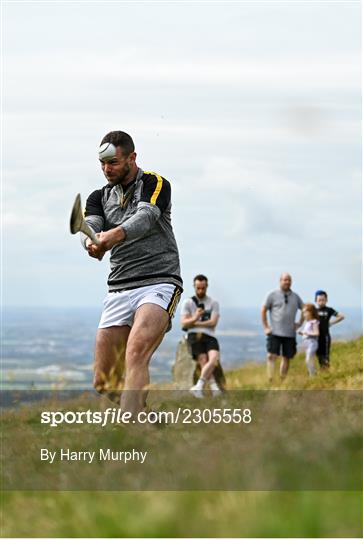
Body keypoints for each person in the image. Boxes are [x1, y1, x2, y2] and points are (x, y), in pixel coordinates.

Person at [82, 131, 183, 416]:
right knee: (104, 382)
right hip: (118, 288)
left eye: (113, 162)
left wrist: (112, 236)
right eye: (102, 164)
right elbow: (90, 228)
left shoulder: (154, 183)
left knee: (136, 352)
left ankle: (132, 431)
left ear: (132, 157)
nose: (106, 169)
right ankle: (146, 417)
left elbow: (146, 217)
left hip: (159, 282)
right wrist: (91, 243)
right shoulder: (98, 197)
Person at [180, 275, 224, 398]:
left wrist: (193, 322)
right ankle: (215, 389)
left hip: (210, 336)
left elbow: (213, 323)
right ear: (194, 286)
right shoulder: (188, 302)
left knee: (214, 358)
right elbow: (183, 323)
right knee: (203, 360)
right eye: (198, 288)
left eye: (203, 288)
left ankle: (198, 386)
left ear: (206, 286)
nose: (200, 291)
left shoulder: (213, 303)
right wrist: (196, 317)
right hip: (194, 336)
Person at [261, 272, 304, 381]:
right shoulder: (272, 295)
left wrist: (299, 323)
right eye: (285, 280)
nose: (287, 282)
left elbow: (305, 309)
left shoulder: (295, 296)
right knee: (271, 356)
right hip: (274, 332)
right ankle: (270, 379)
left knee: (286, 357)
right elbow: (263, 310)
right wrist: (266, 327)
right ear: (280, 281)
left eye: (289, 280)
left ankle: (282, 380)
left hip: (289, 333)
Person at [314, 290, 345, 369]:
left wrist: (331, 323)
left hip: (325, 337)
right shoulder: (314, 311)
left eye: (323, 300)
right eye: (319, 300)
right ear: (316, 301)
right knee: (319, 355)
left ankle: (326, 372)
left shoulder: (329, 310)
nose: (321, 302)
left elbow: (341, 316)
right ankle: (323, 370)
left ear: (326, 300)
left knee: (325, 355)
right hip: (316, 337)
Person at [298, 303, 320, 377]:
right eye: (303, 312)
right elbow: (307, 333)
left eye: (306, 312)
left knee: (308, 360)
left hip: (312, 343)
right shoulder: (307, 322)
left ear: (311, 312)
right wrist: (302, 333)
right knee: (308, 360)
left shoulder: (314, 322)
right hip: (307, 343)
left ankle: (313, 375)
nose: (304, 314)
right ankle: (312, 374)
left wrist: (306, 332)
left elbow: (316, 333)